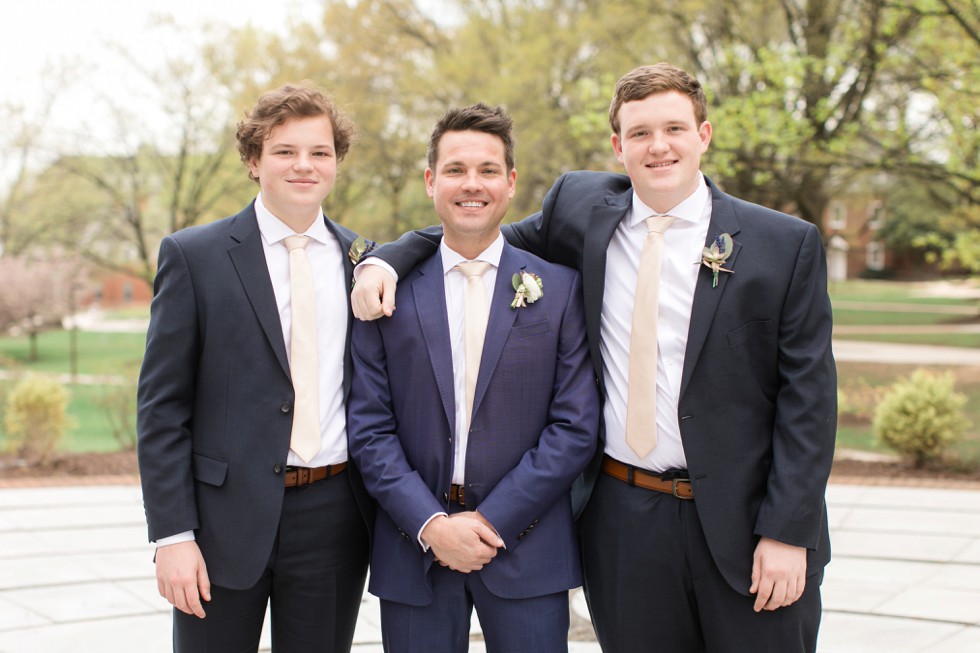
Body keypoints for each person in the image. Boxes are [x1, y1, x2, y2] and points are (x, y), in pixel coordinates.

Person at [351, 64, 837, 652]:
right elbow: (474, 231)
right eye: (639, 133)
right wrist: (385, 260)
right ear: (618, 146)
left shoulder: (784, 244)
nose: (658, 147)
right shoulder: (581, 210)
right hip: (625, 522)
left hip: (746, 526)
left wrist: (787, 533)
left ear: (703, 135)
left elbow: (808, 402)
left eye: (674, 129)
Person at [346, 103, 599, 653]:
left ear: (510, 184)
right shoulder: (384, 293)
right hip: (415, 549)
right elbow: (369, 429)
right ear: (431, 181)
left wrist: (492, 520)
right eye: (456, 170)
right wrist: (433, 525)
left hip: (528, 549)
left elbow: (575, 427)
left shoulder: (559, 290)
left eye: (488, 170)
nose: (472, 184)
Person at [137, 82, 373, 652]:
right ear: (253, 160)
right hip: (220, 523)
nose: (304, 165)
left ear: (336, 162)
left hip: (333, 519)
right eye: (285, 151)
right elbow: (161, 408)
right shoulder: (193, 256)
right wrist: (172, 535)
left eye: (320, 152)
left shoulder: (364, 259)